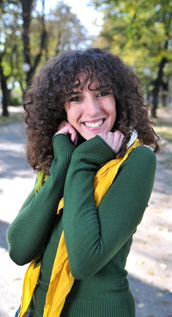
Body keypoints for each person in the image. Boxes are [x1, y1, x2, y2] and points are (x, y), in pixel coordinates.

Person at [7, 48, 159, 317]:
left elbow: (84, 260)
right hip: (35, 308)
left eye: (102, 93)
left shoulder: (136, 161)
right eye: (76, 98)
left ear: (119, 98)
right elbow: (19, 249)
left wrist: (82, 164)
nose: (93, 109)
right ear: (60, 108)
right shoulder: (61, 154)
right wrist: (63, 167)